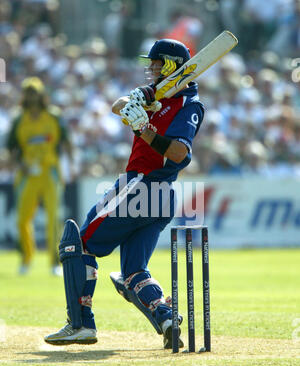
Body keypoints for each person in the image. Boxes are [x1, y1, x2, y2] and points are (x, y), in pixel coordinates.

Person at [44, 39, 205, 349]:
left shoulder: (188, 104)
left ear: (171, 65)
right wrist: (139, 98)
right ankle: (165, 317)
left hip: (143, 185)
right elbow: (118, 106)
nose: (151, 68)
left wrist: (145, 127)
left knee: (79, 244)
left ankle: (80, 324)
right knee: (132, 271)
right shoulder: (158, 94)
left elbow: (179, 154)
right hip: (158, 196)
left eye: (157, 64)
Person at [6, 77, 72, 276]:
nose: (31, 96)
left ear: (41, 94)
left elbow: (66, 142)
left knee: (54, 219)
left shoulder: (53, 116)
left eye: (34, 92)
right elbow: (11, 149)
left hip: (50, 171)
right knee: (22, 220)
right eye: (28, 92)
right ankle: (26, 258)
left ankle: (54, 262)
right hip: (27, 175)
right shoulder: (19, 118)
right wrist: (20, 166)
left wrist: (71, 166)